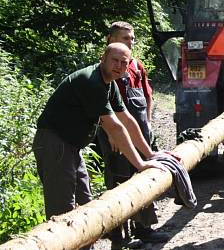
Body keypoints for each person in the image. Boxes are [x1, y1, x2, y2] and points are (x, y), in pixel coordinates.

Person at [32, 43, 164, 250]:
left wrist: (150, 155)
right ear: (103, 57)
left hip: (72, 146)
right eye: (115, 60)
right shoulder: (91, 81)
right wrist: (140, 164)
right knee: (63, 209)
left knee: (86, 205)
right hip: (54, 143)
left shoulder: (109, 84)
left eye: (124, 62)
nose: (119, 66)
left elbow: (128, 120)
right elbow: (115, 127)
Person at [96, 22, 169, 248]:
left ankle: (144, 229)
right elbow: (101, 106)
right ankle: (117, 235)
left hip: (139, 132)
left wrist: (147, 125)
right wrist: (111, 135)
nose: (130, 42)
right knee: (119, 180)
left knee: (143, 175)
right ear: (111, 40)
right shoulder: (107, 68)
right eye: (125, 38)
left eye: (132, 38)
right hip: (115, 134)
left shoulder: (136, 66)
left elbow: (147, 97)